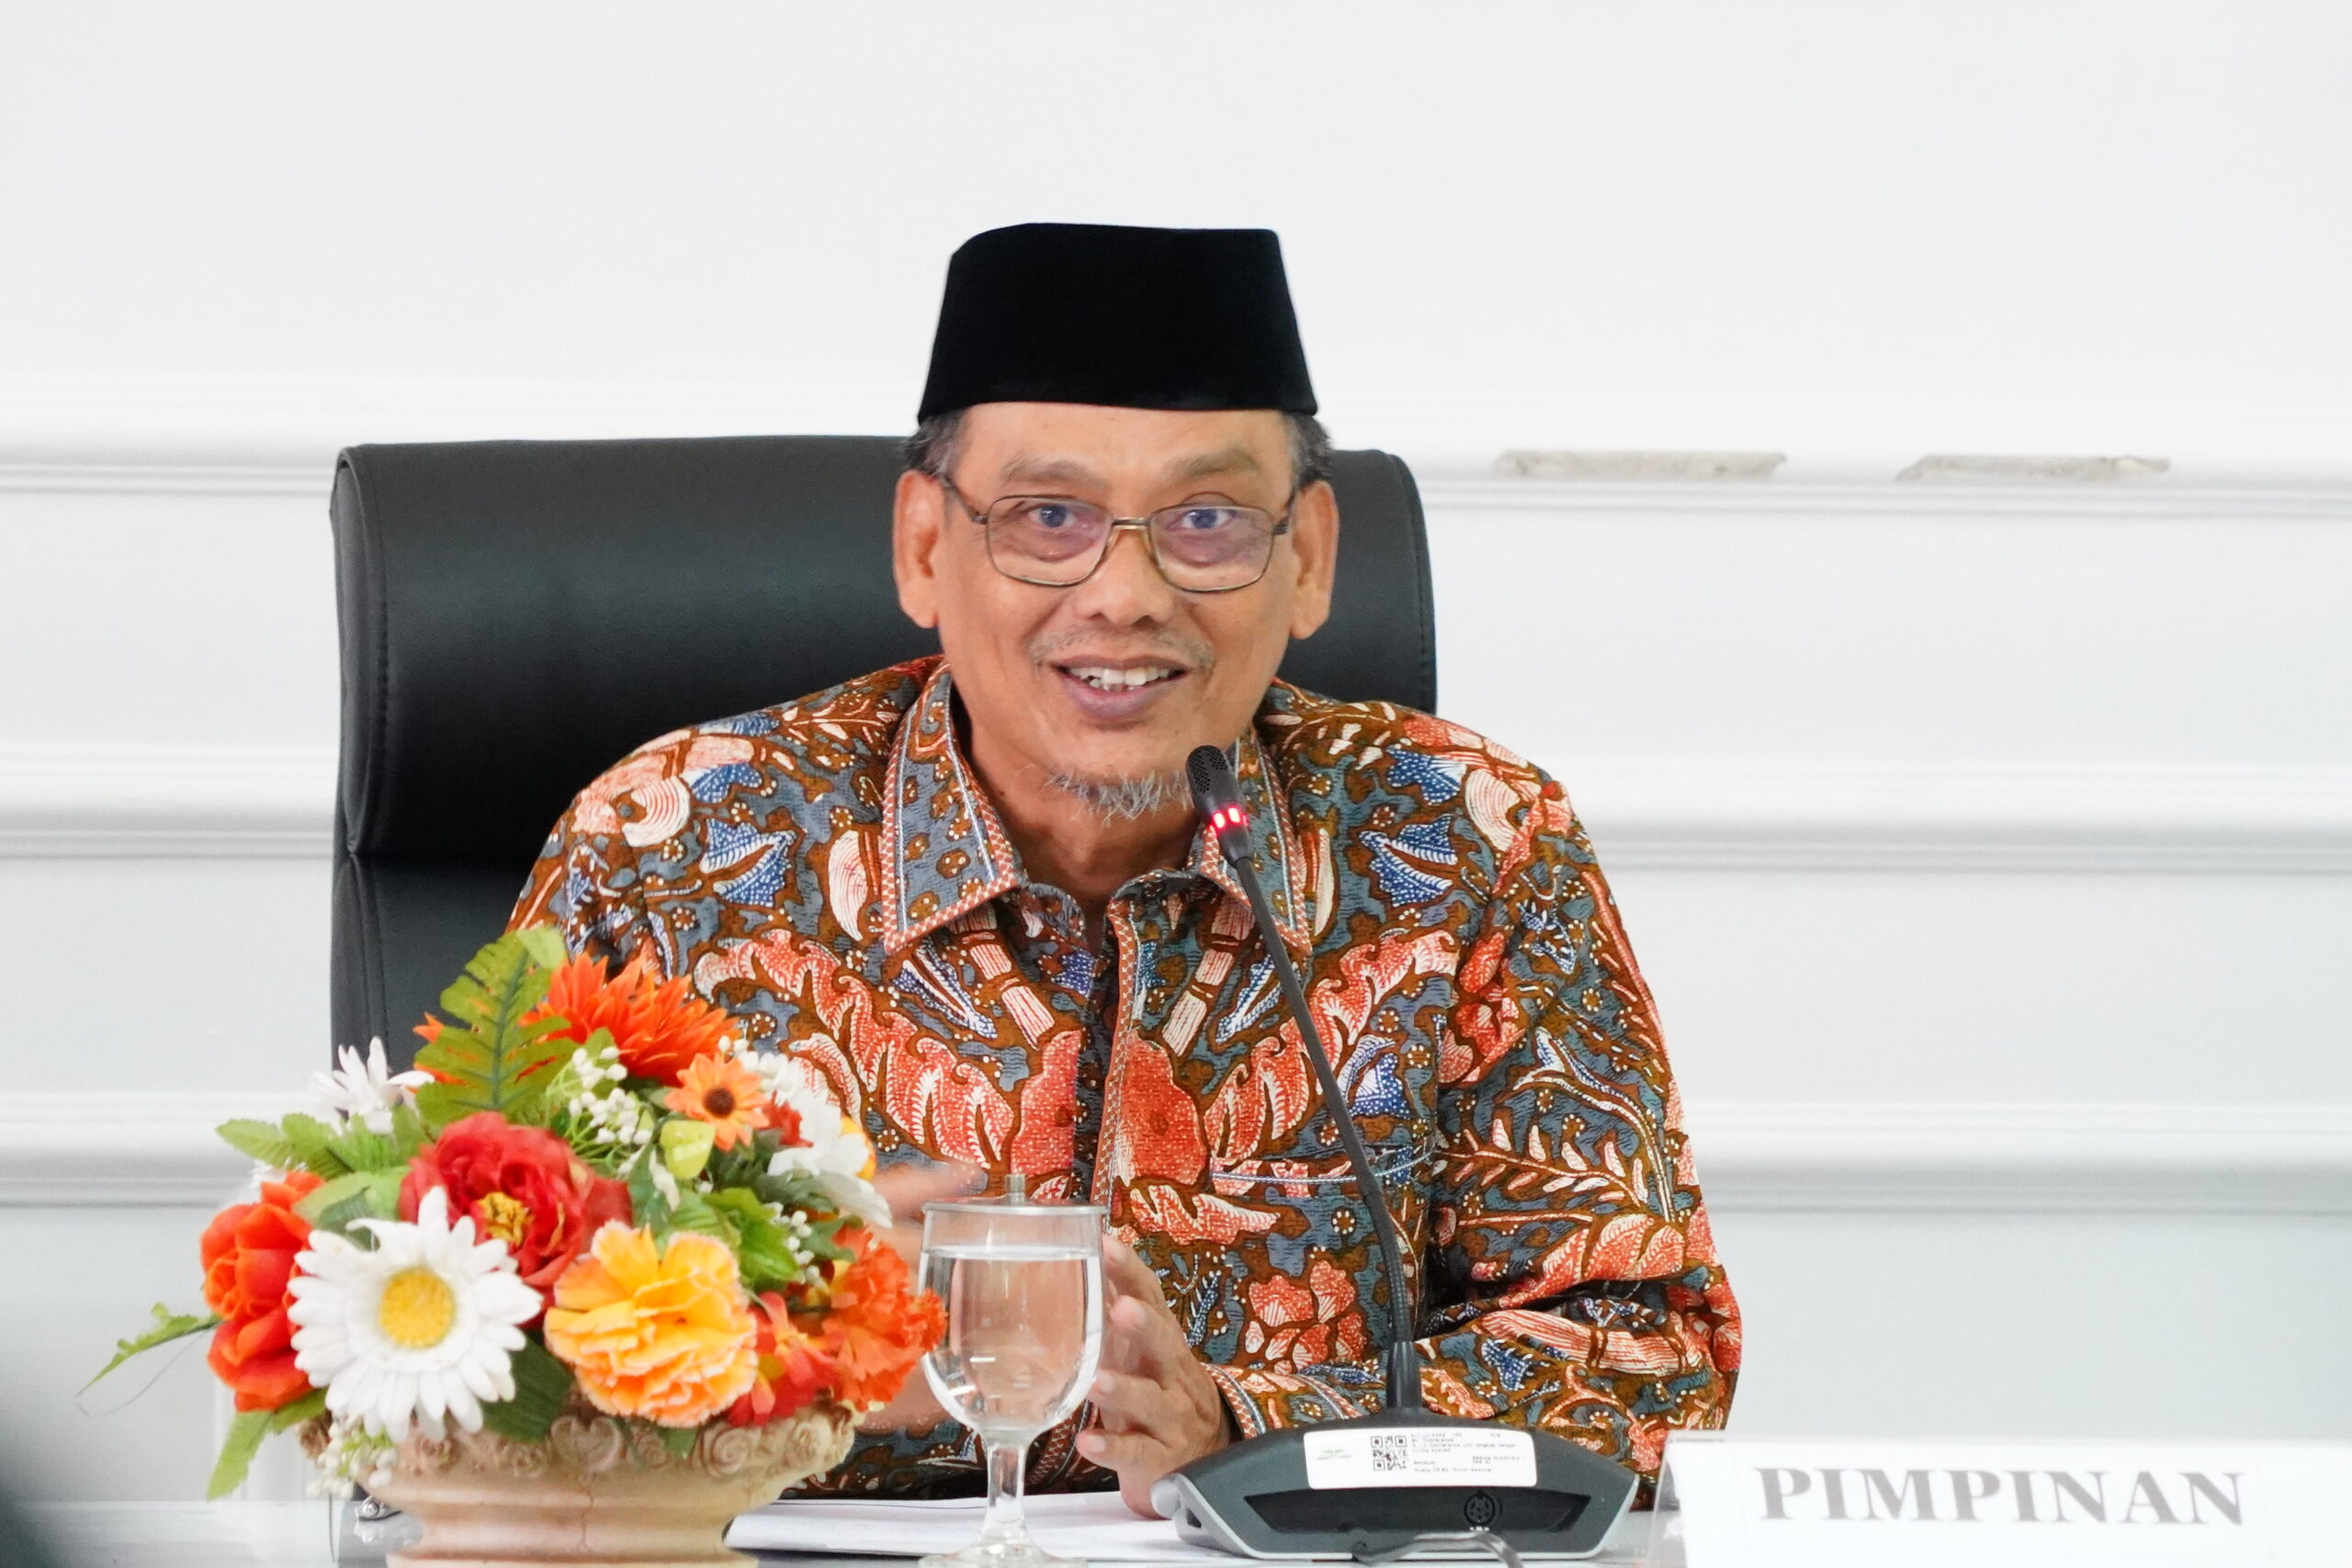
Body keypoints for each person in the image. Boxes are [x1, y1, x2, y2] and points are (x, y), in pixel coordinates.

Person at [514, 222, 1739, 1512]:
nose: (1124, 594)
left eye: (1207, 522)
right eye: (1050, 519)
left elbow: (1652, 1359)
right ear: (925, 547)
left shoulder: (1465, 837)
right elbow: (442, 1334)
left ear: (1308, 557)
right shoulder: (674, 843)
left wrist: (1245, 1429)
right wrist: (762, 1344)